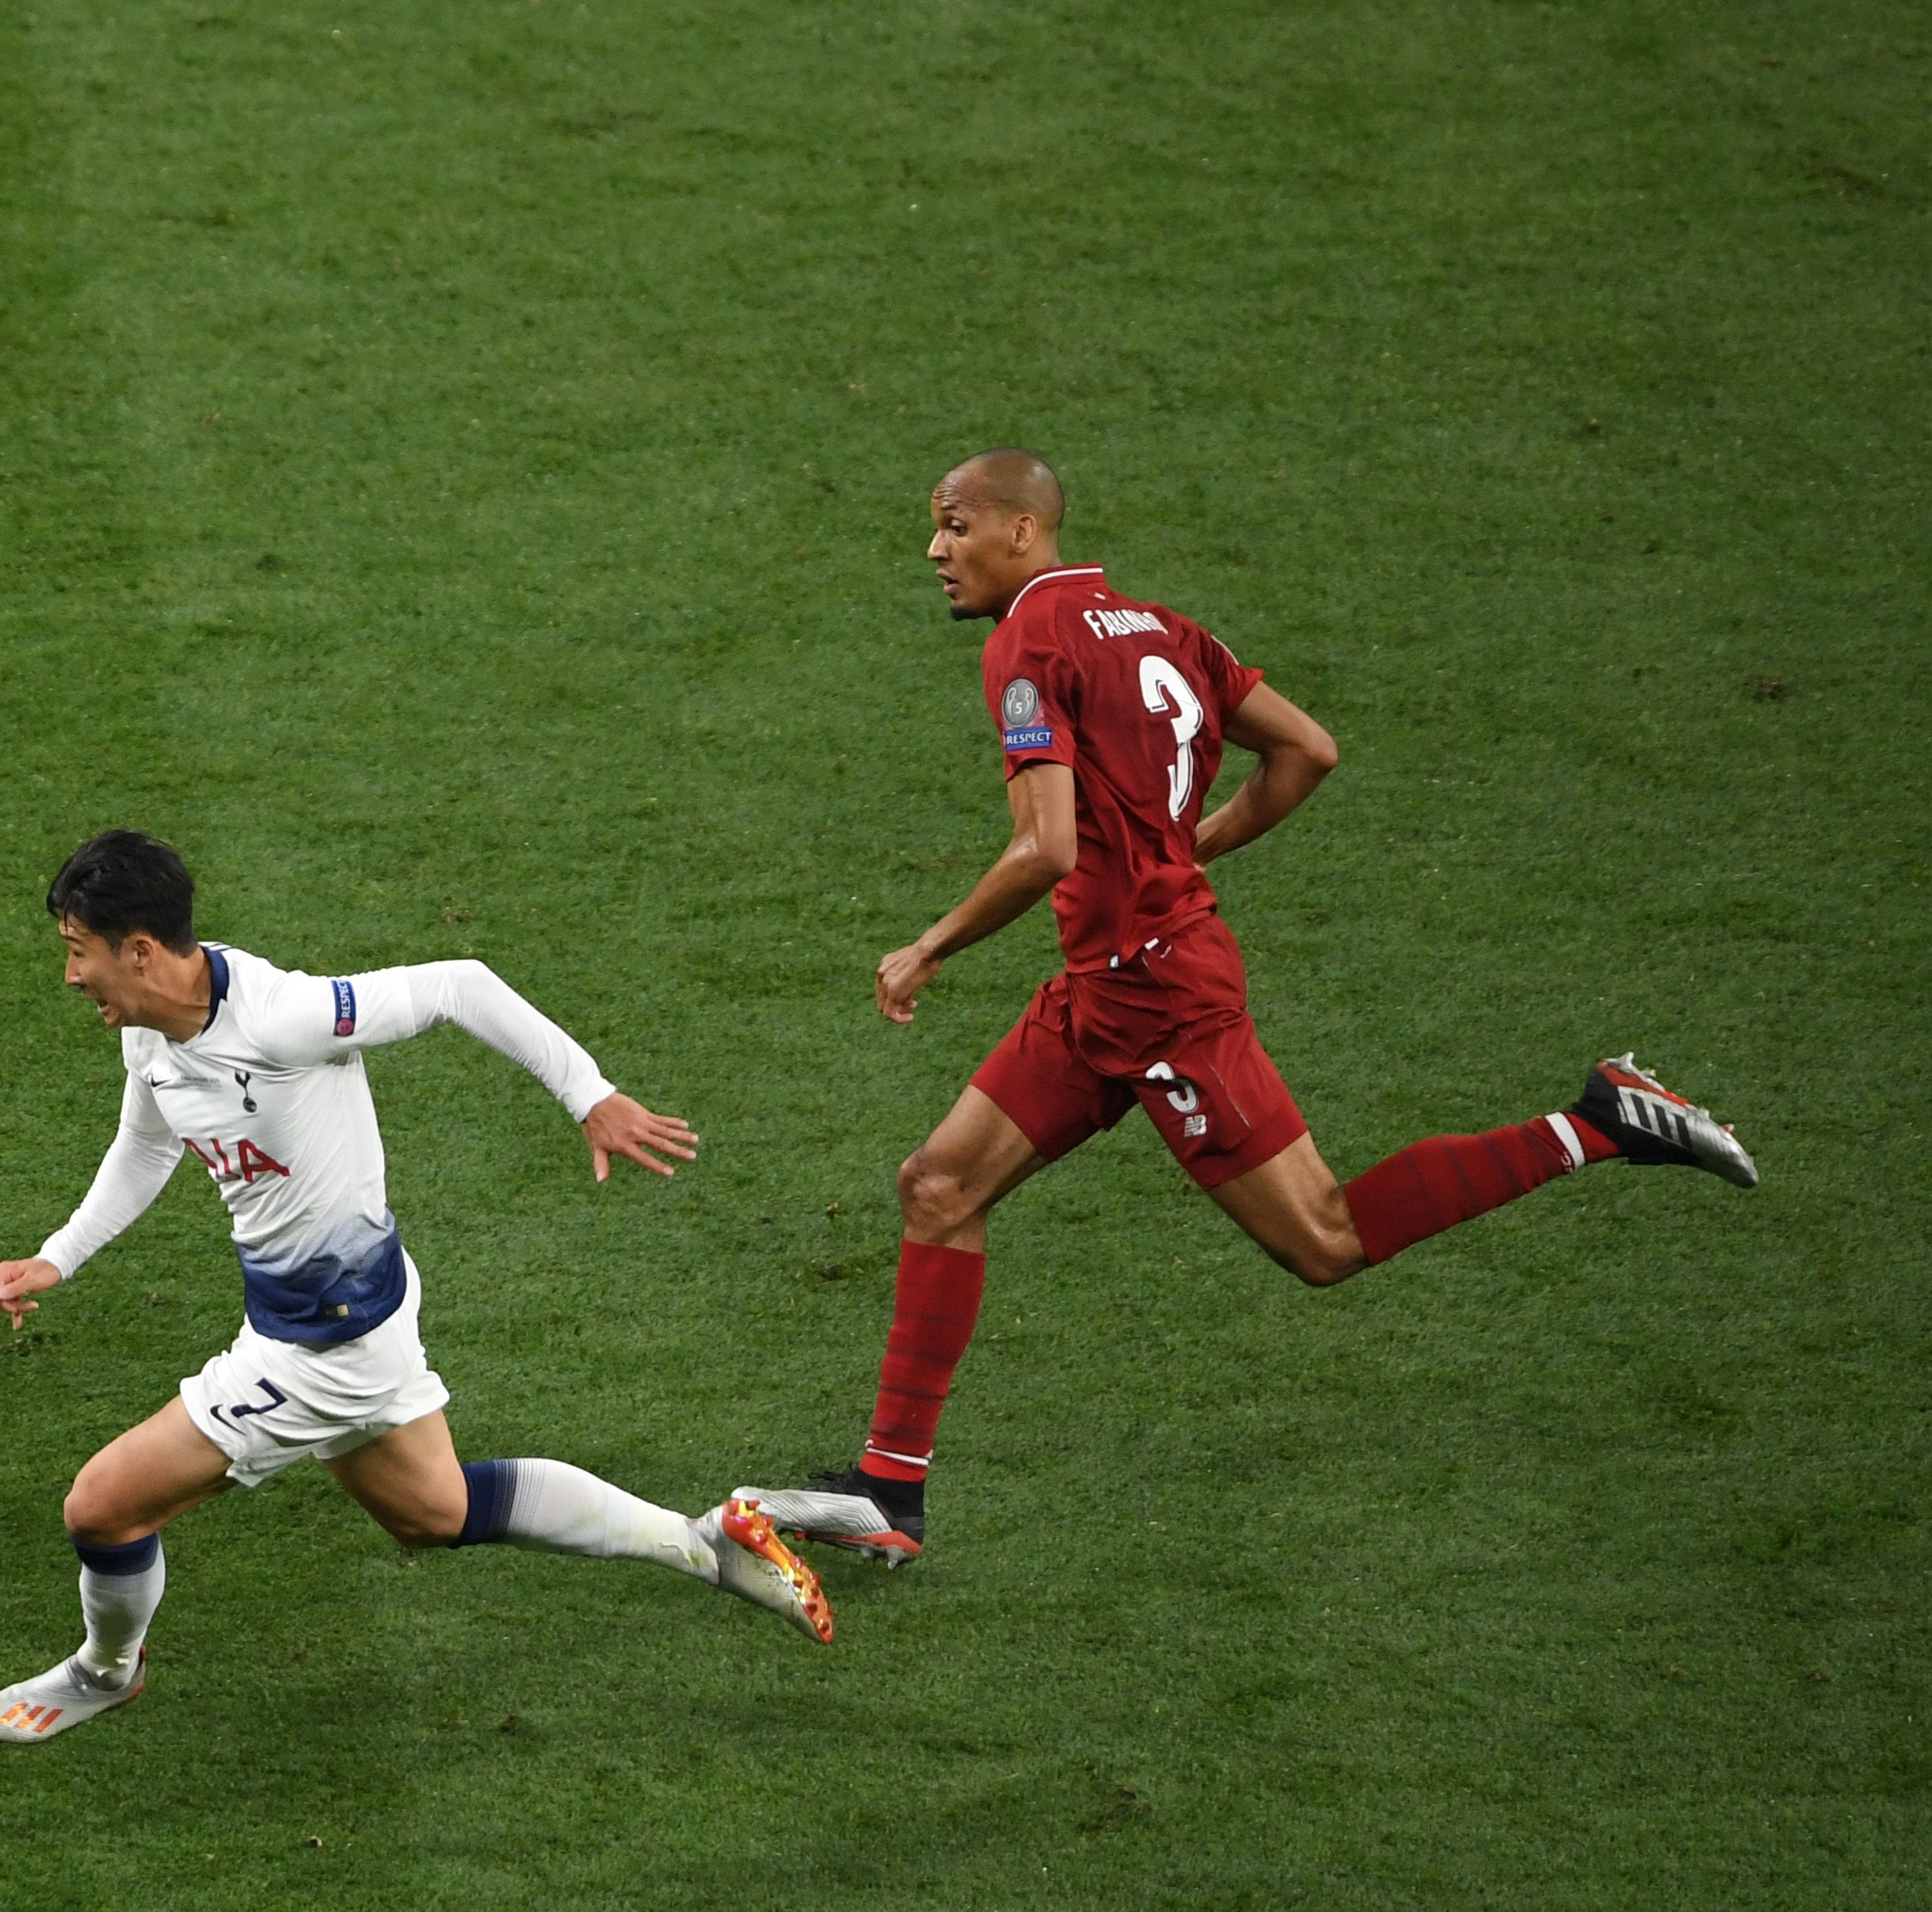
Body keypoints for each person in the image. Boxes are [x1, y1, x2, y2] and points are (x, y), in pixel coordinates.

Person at [743, 448, 1758, 1567]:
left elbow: (1044, 847)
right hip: (1103, 989)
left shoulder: (1025, 643)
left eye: (952, 524)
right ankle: (891, 1491)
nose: (934, 550)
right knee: (937, 1183)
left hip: (1165, 1001)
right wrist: (1193, 845)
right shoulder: (1167, 630)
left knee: (1322, 1240)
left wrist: (928, 944)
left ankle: (1601, 1120)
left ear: (1022, 530)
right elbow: (1305, 748)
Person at [0, 831, 829, 1746]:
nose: (70, 976)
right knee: (434, 1512)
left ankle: (105, 1671)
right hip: (330, 1322)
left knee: (99, 1505)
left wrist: (590, 1095)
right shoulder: (152, 1035)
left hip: (321, 1351)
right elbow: (146, 1144)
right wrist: (59, 1256)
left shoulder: (284, 1015)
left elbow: (459, 983)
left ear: (137, 950)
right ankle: (706, 1545)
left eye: (76, 952)